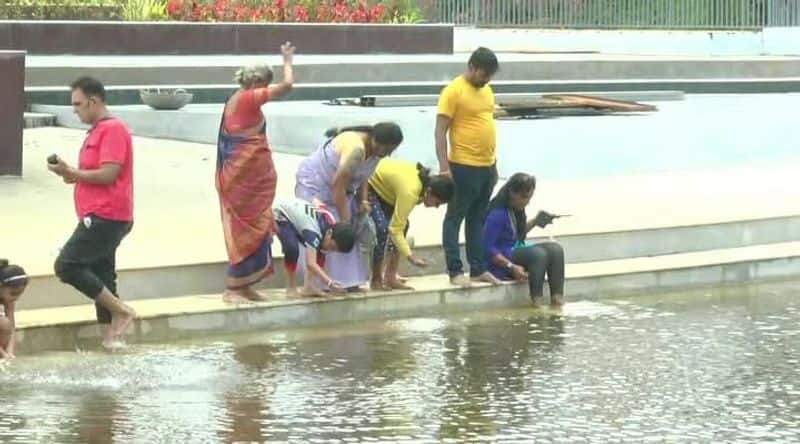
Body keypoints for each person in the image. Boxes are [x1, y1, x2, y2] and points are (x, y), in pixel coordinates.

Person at [47, 76, 137, 350]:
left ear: (94, 101)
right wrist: (71, 174)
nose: (74, 110)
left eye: (78, 104)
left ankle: (122, 311)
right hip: (100, 214)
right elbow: (94, 173)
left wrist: (73, 172)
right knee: (103, 275)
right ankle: (111, 339)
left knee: (67, 265)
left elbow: (110, 173)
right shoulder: (97, 131)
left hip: (106, 215)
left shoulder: (113, 130)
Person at [216, 41, 295, 303]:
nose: (266, 89)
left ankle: (246, 285)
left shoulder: (243, 100)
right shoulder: (248, 98)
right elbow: (287, 87)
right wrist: (287, 61)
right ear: (256, 81)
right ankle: (233, 288)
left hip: (253, 183)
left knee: (259, 228)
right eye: (264, 83)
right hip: (242, 182)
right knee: (246, 231)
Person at [295, 122, 403, 291]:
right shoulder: (356, 150)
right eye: (386, 150)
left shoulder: (374, 153)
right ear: (376, 141)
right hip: (318, 185)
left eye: (391, 151)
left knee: (350, 227)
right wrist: (344, 223)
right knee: (335, 230)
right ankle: (321, 283)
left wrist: (362, 200)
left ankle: (349, 281)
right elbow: (338, 185)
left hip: (345, 190)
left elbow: (364, 175)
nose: (387, 154)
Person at [435, 46, 503, 287]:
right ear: (472, 67)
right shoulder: (453, 91)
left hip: (487, 167)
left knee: (477, 219)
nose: (486, 80)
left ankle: (478, 268)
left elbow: (485, 123)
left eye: (490, 76)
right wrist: (445, 167)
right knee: (455, 218)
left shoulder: (487, 91)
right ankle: (455, 271)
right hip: (463, 166)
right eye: (483, 74)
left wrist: (494, 162)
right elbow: (440, 131)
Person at [367, 159, 454, 290]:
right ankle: (376, 279)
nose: (436, 207)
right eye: (437, 203)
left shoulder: (422, 189)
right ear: (429, 192)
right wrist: (411, 257)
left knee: (404, 225)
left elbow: (400, 224)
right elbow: (395, 229)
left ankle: (390, 276)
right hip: (371, 185)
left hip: (388, 191)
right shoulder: (411, 191)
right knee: (383, 229)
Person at [483, 173, 565, 306]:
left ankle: (557, 300)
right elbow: (487, 248)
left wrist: (535, 222)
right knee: (538, 254)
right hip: (500, 263)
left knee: (555, 250)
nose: (528, 202)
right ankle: (537, 302)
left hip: (513, 251)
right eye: (524, 197)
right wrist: (511, 266)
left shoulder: (517, 211)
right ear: (512, 193)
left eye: (529, 197)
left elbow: (516, 236)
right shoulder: (497, 214)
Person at [273, 198, 357, 296]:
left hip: (300, 216)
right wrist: (329, 282)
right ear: (329, 233)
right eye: (332, 247)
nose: (330, 250)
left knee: (321, 252)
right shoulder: (313, 232)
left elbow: (316, 201)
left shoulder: (330, 220)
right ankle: (291, 287)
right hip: (281, 213)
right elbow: (310, 263)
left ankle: (309, 286)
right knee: (292, 249)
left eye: (334, 250)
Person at [0, 260, 28, 359]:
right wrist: (3, 354)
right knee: (3, 323)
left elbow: (11, 328)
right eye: (13, 294)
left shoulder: (8, 299)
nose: (15, 298)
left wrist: (10, 352)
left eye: (19, 294)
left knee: (6, 324)